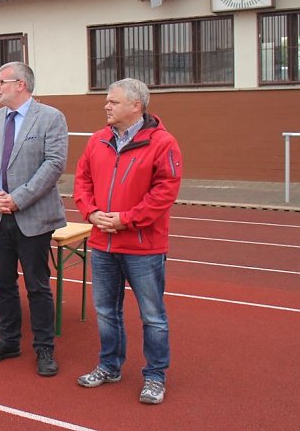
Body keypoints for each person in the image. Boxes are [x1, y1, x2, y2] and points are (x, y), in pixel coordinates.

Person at [73, 78, 183, 405]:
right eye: (107, 101)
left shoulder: (163, 143)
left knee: (152, 316)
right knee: (106, 312)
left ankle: (155, 376)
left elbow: (164, 192)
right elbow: (82, 181)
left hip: (142, 247)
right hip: (102, 243)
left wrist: (126, 219)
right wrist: (91, 212)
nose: (106, 105)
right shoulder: (97, 140)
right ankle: (110, 366)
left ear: (136, 106)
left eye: (113, 101)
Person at [0, 61, 68, 377]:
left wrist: (18, 199)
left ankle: (44, 348)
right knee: (3, 283)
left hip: (32, 216)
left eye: (1, 82)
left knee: (37, 286)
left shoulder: (50, 117)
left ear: (21, 84)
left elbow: (54, 164)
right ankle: (9, 341)